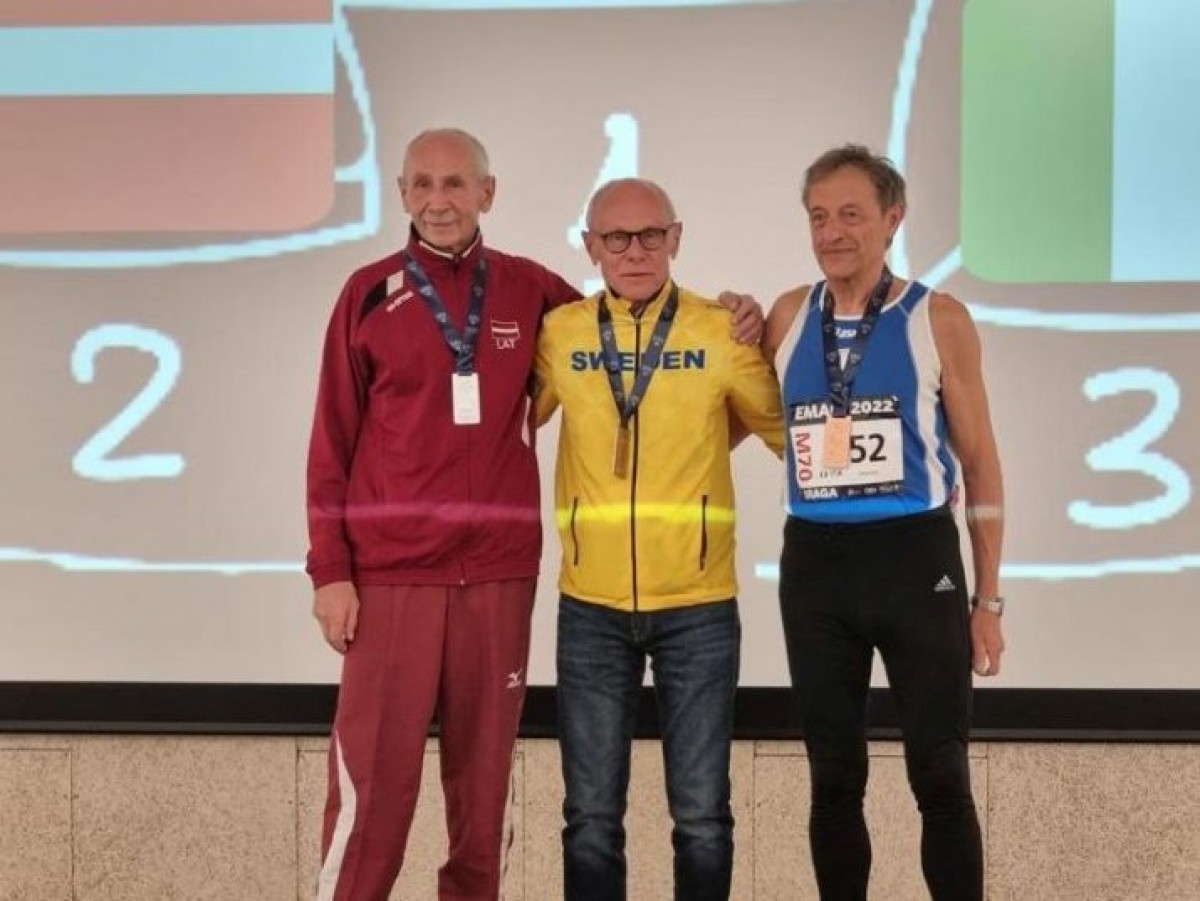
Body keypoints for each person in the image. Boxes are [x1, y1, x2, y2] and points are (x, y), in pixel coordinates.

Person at [305, 129, 763, 901]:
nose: (440, 200)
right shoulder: (367, 293)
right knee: (374, 790)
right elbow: (331, 440)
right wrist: (330, 570)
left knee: (483, 799)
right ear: (403, 193)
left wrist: (738, 315)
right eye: (423, 184)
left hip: (499, 577)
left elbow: (628, 325)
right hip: (391, 580)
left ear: (488, 193)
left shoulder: (533, 292)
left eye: (457, 183)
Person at [762, 144, 1006, 901]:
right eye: (818, 217)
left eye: (851, 215)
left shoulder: (939, 317)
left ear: (893, 218)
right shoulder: (785, 316)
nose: (832, 232)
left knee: (940, 773)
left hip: (915, 561)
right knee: (834, 778)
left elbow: (981, 464)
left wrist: (989, 599)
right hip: (816, 567)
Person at [532, 177, 785, 901]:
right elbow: (500, 425)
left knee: (702, 818)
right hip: (589, 607)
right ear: (591, 246)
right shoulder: (562, 333)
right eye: (617, 238)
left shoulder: (719, 330)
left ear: (676, 238)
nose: (635, 251)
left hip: (698, 609)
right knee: (589, 819)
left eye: (650, 235)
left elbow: (789, 435)